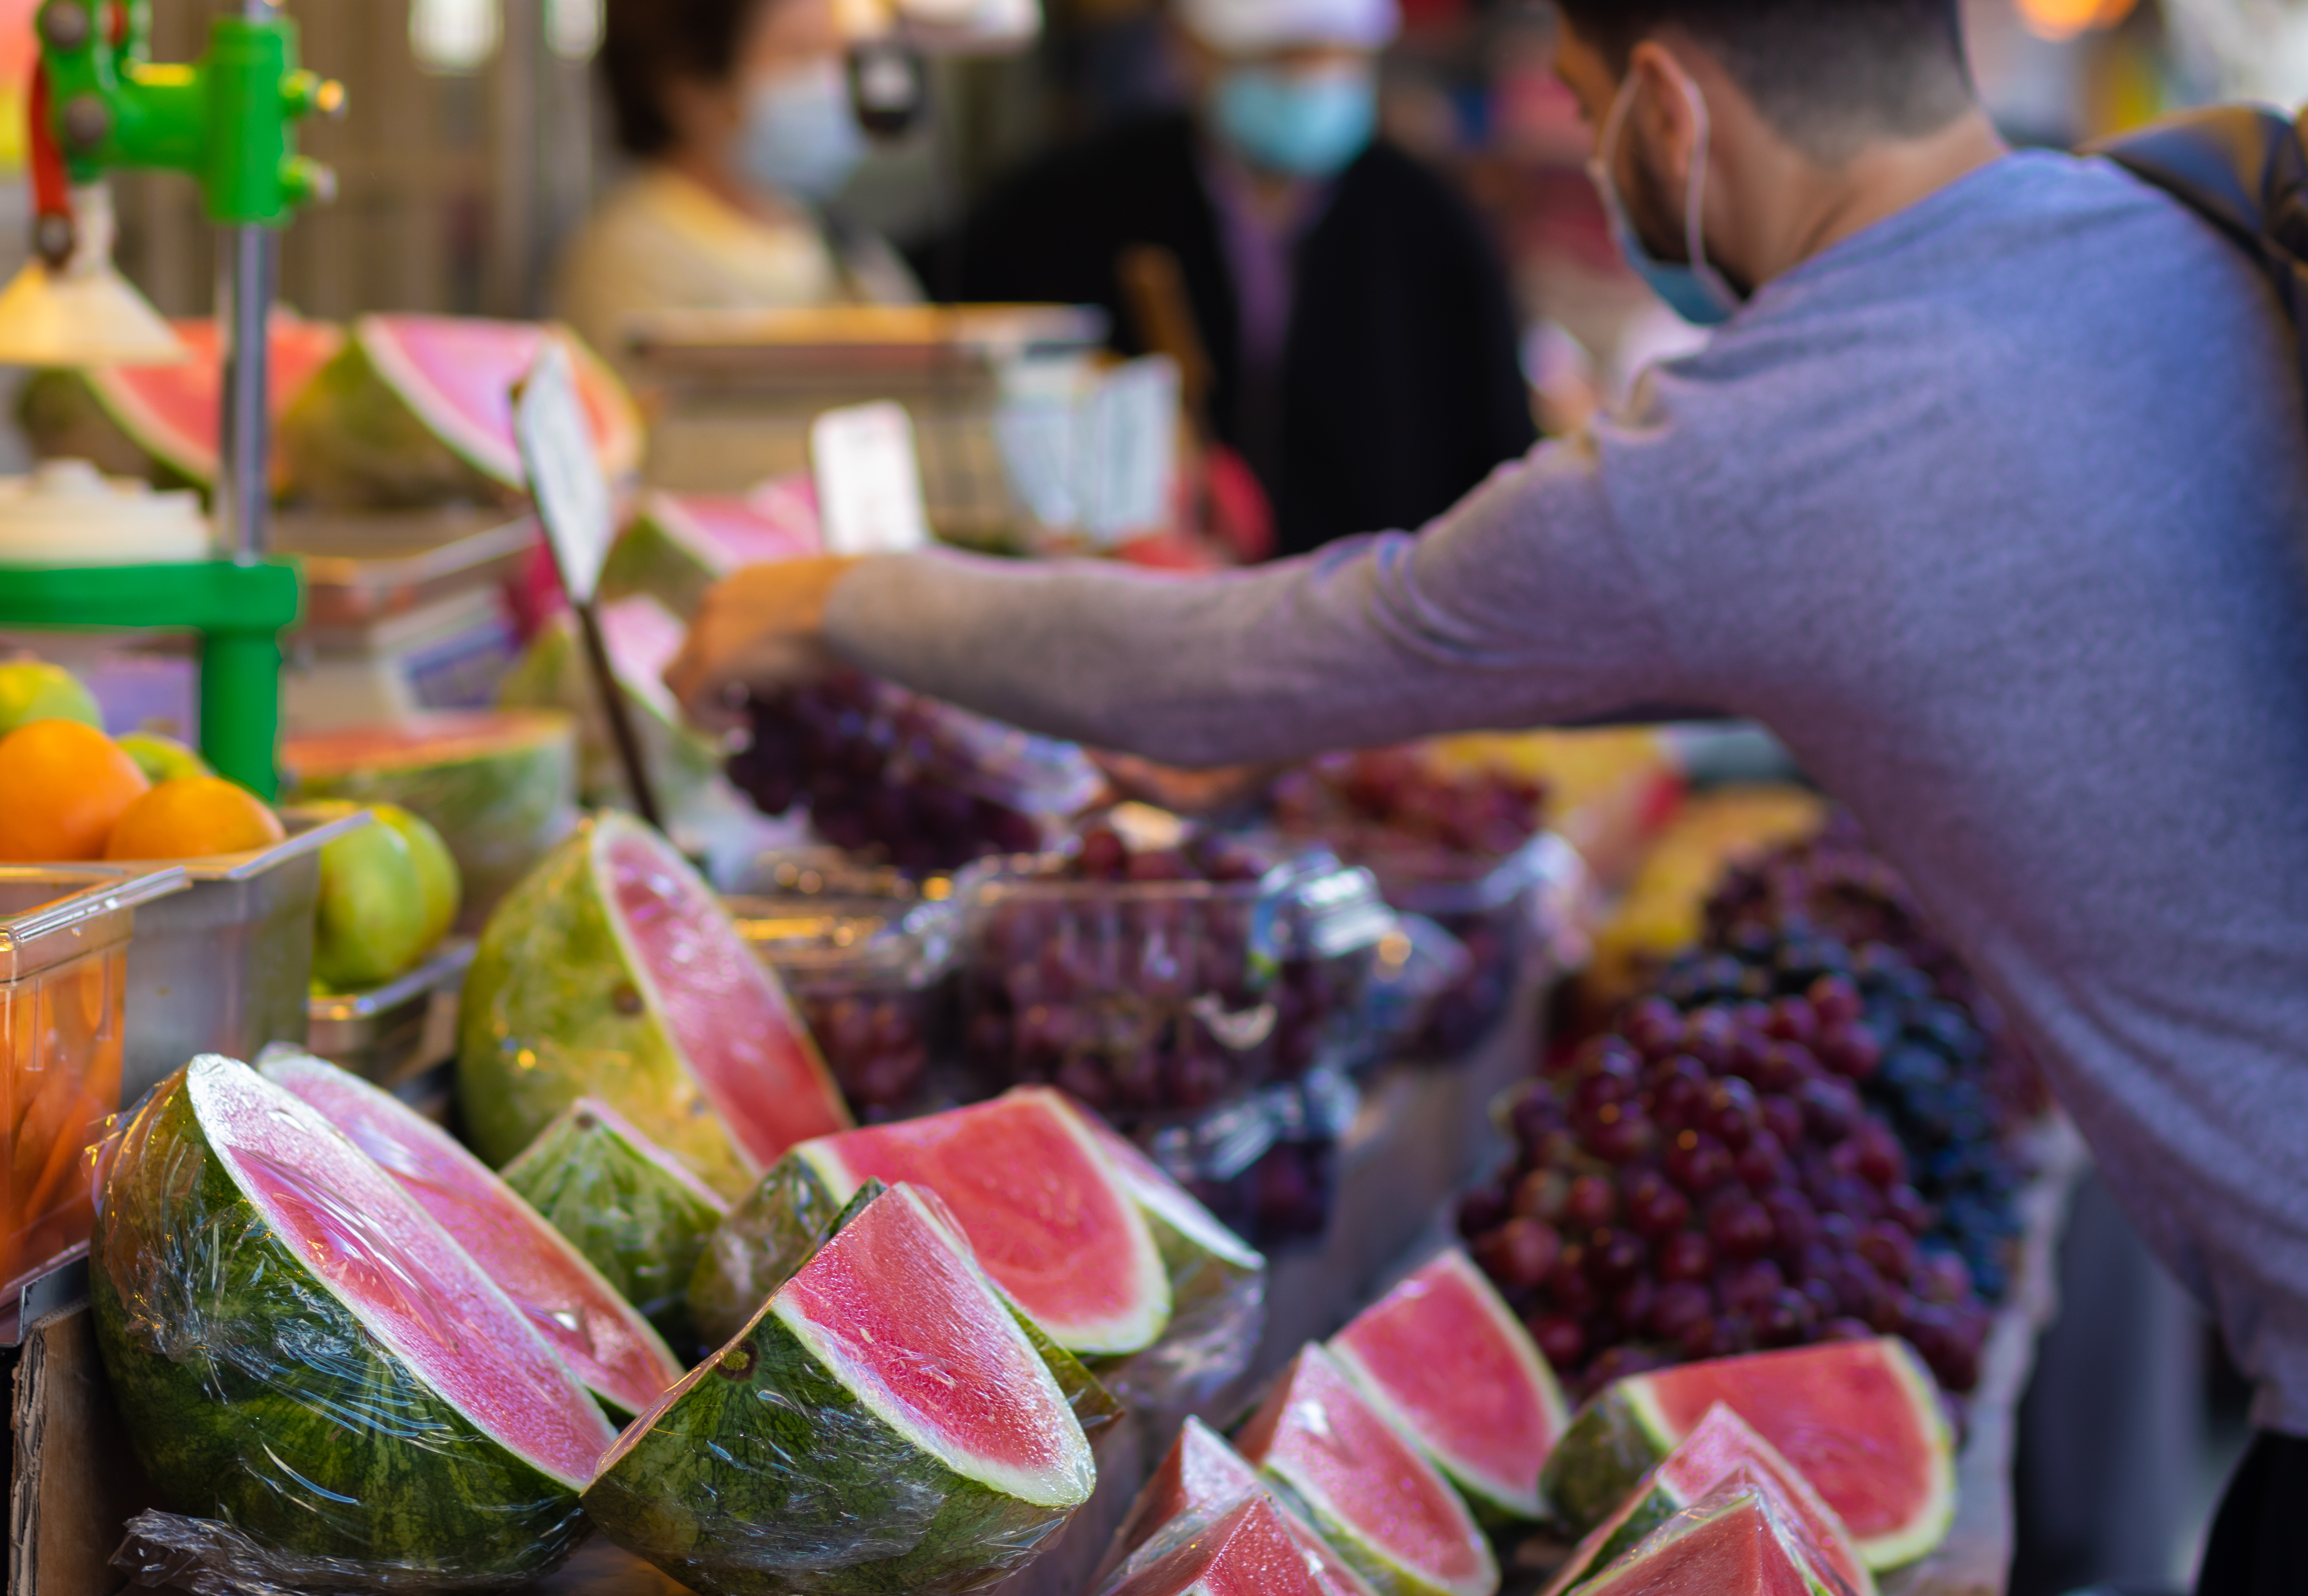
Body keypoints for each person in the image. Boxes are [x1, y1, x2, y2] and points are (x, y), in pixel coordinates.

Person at [669, 1, 2308, 1586]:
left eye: (1591, 111)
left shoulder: (1770, 447)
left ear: (1667, 107)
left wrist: (834, 598)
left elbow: (1247, 656)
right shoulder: (2175, 231)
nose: (1601, 162)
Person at [932, 0, 1538, 557]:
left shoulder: (1429, 221)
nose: (1307, 82)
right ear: (1188, 48)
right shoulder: (1074, 203)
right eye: (1277, 60)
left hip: (1375, 619)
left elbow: (1497, 457)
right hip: (1139, 615)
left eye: (1330, 60)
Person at [555, 0, 921, 367]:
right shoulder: (632, 260)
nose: (834, 85)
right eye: (801, 53)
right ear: (692, 85)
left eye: (840, 56)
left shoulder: (843, 247)